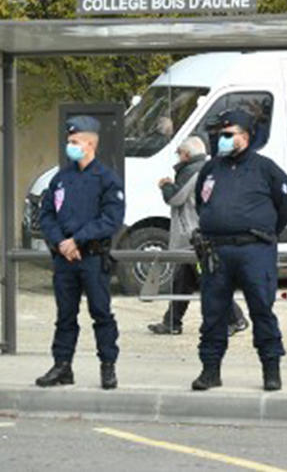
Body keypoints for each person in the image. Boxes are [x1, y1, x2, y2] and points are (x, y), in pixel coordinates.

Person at [191, 109, 287, 392]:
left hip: (254, 250)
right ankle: (210, 370)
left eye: (228, 135)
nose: (221, 140)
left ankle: (271, 370)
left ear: (245, 137)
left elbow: (285, 208)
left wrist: (263, 232)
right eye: (220, 135)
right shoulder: (211, 169)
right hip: (217, 251)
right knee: (213, 313)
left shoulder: (266, 169)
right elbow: (202, 204)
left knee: (262, 310)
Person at [36, 116, 125, 390]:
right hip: (65, 258)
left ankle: (107, 367)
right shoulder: (62, 179)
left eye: (74, 142)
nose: (70, 146)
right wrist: (61, 242)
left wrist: (77, 239)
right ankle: (63, 366)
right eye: (69, 142)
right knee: (65, 315)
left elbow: (111, 219)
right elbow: (47, 214)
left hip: (92, 258)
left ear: (89, 144)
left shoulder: (107, 178)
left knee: (101, 313)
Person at [147, 136, 249, 336]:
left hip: (193, 236)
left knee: (209, 280)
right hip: (197, 235)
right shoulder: (210, 168)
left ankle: (235, 319)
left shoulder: (190, 172)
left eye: (179, 154)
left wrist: (166, 185)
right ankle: (172, 322)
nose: (177, 158)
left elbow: (176, 198)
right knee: (182, 281)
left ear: (186, 154)